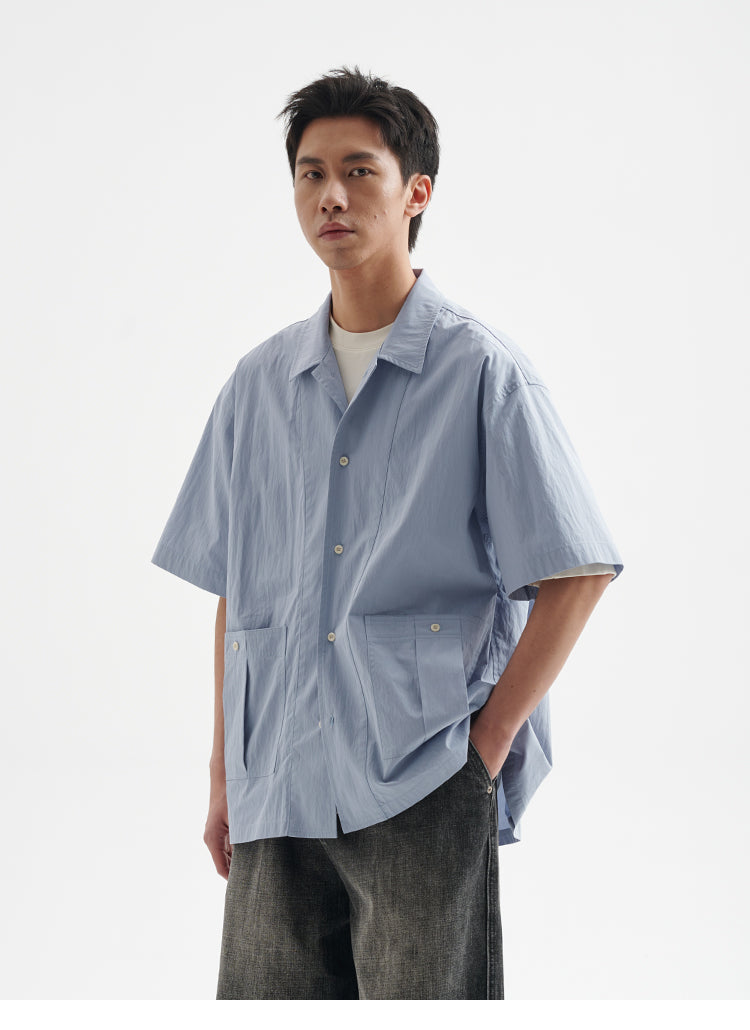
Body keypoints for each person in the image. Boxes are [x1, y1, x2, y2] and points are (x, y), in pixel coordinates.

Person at [150, 65, 623, 1000]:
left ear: (416, 193)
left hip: (421, 780)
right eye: (311, 173)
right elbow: (238, 590)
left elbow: (578, 570)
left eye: (359, 171)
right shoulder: (256, 386)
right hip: (276, 784)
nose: (331, 195)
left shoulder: (480, 371)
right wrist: (222, 773)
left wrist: (485, 750)